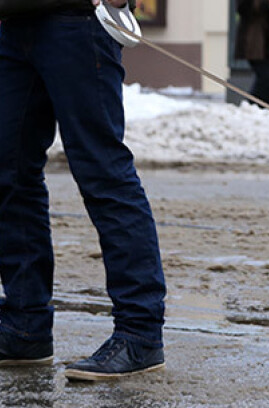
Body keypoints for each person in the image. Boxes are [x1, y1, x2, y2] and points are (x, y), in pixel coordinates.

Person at [0, 0, 167, 380]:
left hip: (75, 22)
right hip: (12, 22)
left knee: (103, 173)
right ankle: (25, 326)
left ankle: (139, 334)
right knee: (8, 172)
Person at [235, 0, 269, 106]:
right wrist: (268, 3)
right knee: (267, 77)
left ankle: (264, 108)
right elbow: (243, 7)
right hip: (256, 42)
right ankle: (251, 108)